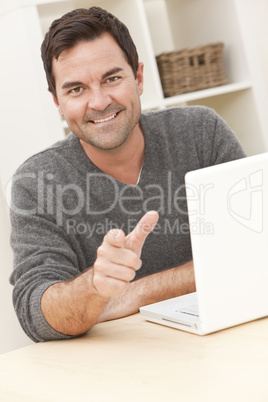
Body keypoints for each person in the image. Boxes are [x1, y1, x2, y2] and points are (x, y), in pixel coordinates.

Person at [9, 7, 245, 342]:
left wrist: (131, 293)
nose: (99, 101)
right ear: (57, 102)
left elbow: (252, 252)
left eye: (112, 78)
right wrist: (95, 286)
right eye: (76, 89)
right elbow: (38, 315)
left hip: (231, 336)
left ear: (138, 77)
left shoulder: (200, 132)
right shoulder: (36, 183)